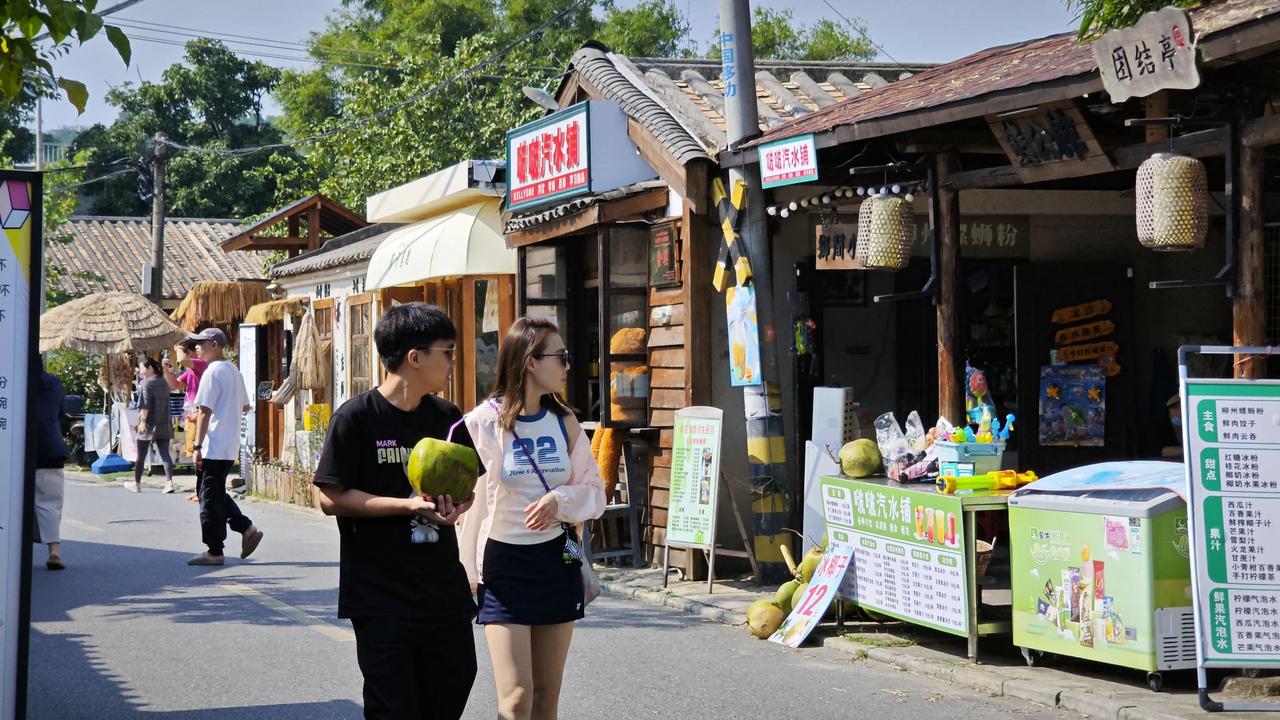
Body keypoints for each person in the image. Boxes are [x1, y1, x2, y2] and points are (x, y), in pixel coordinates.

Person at [313, 302, 481, 720]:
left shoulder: (447, 418)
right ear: (415, 357)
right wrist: (407, 506)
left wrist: (455, 508)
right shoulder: (356, 418)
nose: (453, 362)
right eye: (447, 351)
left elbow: (468, 487)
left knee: (455, 681)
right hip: (379, 593)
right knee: (393, 706)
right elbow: (330, 498)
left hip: (442, 589)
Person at [461, 317, 605, 720]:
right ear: (530, 362)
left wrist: (560, 500)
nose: (568, 365)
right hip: (502, 567)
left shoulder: (565, 422)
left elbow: (596, 492)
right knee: (516, 698)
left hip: (557, 563)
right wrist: (464, 567)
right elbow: (462, 498)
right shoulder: (482, 423)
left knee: (545, 700)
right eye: (561, 356)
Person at [187, 327, 264, 566]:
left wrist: (197, 446)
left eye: (201, 343)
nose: (197, 347)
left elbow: (204, 411)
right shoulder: (233, 371)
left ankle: (214, 550)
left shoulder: (212, 372)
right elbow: (245, 406)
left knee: (209, 499)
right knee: (214, 492)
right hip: (229, 444)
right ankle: (246, 528)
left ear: (215, 345)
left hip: (213, 445)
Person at [34, 363, 69, 570]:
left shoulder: (10, 381)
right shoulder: (54, 384)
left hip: (12, 451)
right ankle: (54, 551)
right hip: (49, 448)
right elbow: (60, 414)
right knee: (50, 503)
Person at [164, 340, 207, 501]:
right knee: (194, 455)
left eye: (188, 352)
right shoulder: (190, 371)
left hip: (198, 414)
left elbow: (182, 360)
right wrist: (166, 370)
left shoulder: (201, 364)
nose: (185, 355)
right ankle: (199, 490)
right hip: (190, 415)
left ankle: (202, 491)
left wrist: (178, 347)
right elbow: (176, 385)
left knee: (200, 454)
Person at [132, 358, 176, 494]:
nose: (140, 372)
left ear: (150, 368)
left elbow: (145, 404)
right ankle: (169, 482)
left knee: (141, 454)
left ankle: (137, 484)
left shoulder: (146, 383)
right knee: (165, 453)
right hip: (164, 422)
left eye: (142, 368)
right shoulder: (164, 381)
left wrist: (143, 421)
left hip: (149, 424)